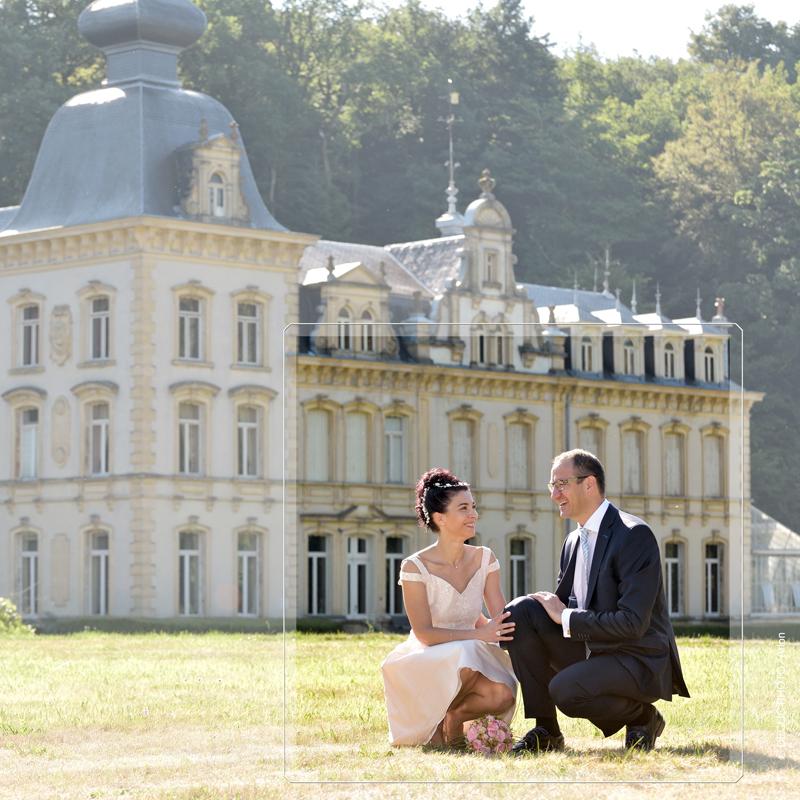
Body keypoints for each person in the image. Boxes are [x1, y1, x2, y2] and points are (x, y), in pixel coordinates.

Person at [503, 449, 690, 754]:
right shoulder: (573, 541)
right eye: (552, 485)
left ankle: (643, 717)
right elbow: (567, 608)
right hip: (594, 646)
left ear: (589, 484)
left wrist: (565, 616)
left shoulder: (633, 535)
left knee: (565, 690)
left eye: (561, 484)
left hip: (636, 656)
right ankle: (546, 730)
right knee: (520, 612)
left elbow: (632, 623)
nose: (554, 495)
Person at [381, 467, 517, 746]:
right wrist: (479, 634)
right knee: (466, 652)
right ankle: (436, 726)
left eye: (473, 507)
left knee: (504, 694)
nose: (473, 515)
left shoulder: (485, 559)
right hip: (427, 656)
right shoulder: (414, 567)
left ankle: (454, 717)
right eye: (464, 508)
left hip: (470, 653)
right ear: (440, 518)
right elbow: (424, 634)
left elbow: (501, 618)